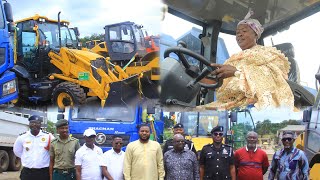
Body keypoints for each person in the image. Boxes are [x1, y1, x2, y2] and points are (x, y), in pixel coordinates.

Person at [199, 10, 294, 110]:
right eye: (237, 33)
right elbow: (223, 86)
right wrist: (207, 80)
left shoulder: (268, 54)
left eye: (244, 31)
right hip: (227, 103)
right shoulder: (231, 60)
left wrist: (237, 72)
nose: (239, 35)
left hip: (252, 103)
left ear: (256, 35)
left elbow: (273, 79)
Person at [13, 115, 54, 180]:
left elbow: (53, 151)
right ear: (29, 124)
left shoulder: (48, 136)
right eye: (32, 122)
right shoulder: (22, 137)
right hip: (27, 172)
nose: (34, 125)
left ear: (40, 124)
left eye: (37, 123)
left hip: (43, 172)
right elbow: (17, 151)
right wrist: (27, 158)